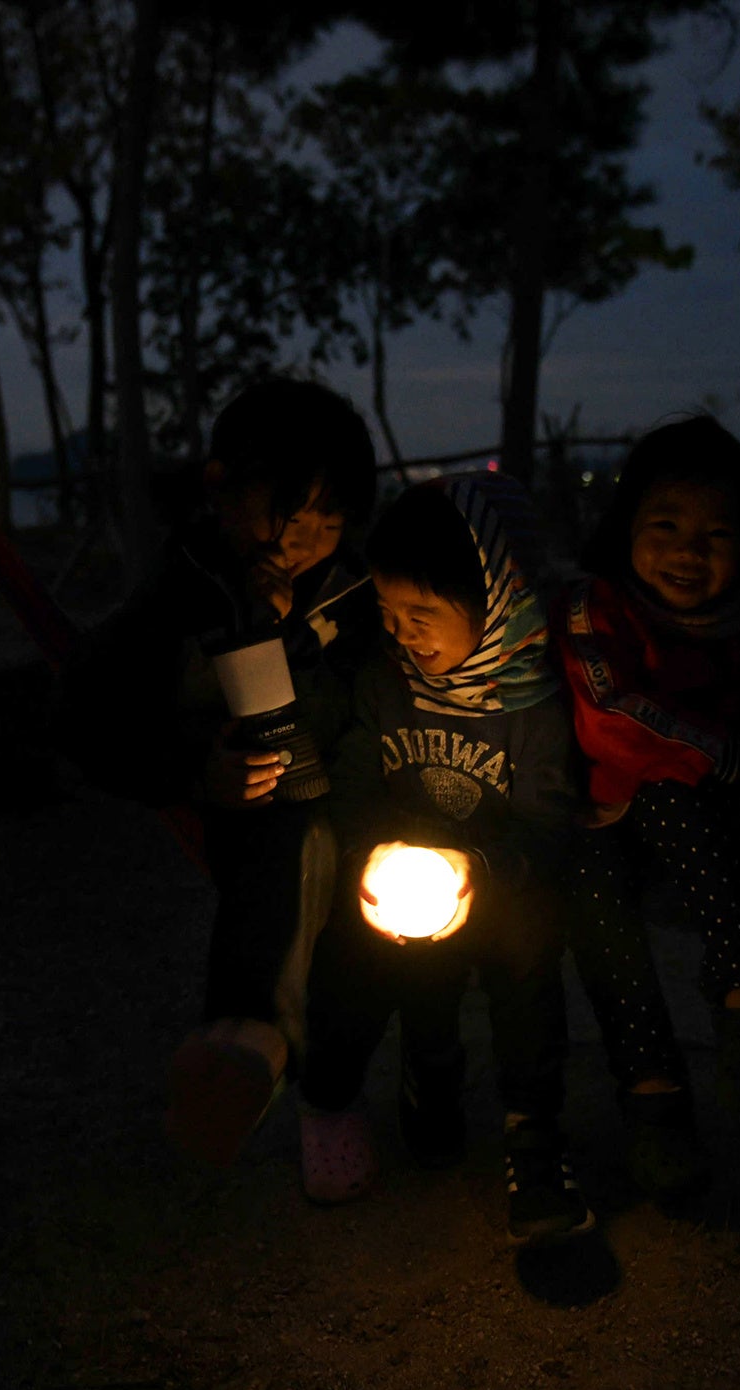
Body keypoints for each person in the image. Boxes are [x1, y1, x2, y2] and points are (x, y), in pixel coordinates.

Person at [61, 378, 380, 1167]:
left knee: (383, 933)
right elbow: (82, 715)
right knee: (296, 844)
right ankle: (248, 1042)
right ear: (219, 485)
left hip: (368, 797)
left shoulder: (358, 594)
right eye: (287, 509)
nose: (303, 538)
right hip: (265, 808)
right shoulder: (181, 598)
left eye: (328, 519)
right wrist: (195, 771)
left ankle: (332, 1094)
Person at [297, 472, 593, 1246]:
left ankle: (533, 1139)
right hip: (400, 883)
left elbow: (549, 825)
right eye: (390, 614)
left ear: (496, 600)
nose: (403, 634)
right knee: (358, 952)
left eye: (422, 614)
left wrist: (479, 872)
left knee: (529, 956)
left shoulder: (534, 708)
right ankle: (413, 1077)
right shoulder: (384, 682)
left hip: (497, 886)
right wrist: (371, 851)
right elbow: (354, 780)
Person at [553, 414, 740, 1198]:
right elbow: (611, 717)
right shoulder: (595, 609)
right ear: (624, 525)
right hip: (586, 813)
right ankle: (654, 1101)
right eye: (664, 525)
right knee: (601, 922)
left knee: (678, 801)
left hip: (686, 812)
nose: (688, 551)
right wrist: (726, 752)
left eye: (715, 533)